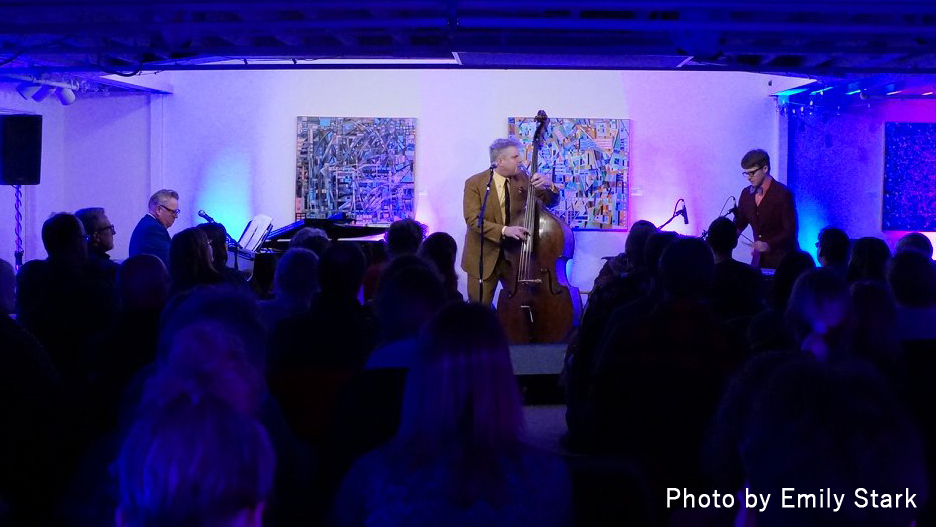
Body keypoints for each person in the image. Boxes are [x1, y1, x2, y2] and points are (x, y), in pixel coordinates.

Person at [461, 137, 558, 304]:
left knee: (519, 307)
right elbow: (473, 220)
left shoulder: (524, 178)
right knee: (479, 311)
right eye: (515, 157)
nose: (520, 160)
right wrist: (505, 230)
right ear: (500, 161)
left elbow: (550, 202)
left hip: (516, 257)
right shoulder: (475, 183)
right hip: (483, 258)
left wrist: (550, 185)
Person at [735, 149, 797, 269]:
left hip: (782, 262)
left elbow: (790, 230)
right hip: (758, 261)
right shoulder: (746, 194)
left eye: (752, 173)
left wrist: (769, 244)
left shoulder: (783, 194)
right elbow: (740, 222)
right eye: (746, 173)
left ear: (765, 169)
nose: (748, 177)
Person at [129, 189, 179, 266]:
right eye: (173, 212)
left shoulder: (149, 224)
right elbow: (170, 261)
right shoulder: (153, 229)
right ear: (159, 210)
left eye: (177, 212)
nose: (176, 216)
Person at [75, 207, 118, 280]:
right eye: (110, 228)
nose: (113, 233)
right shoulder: (110, 271)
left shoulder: (71, 266)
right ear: (96, 235)